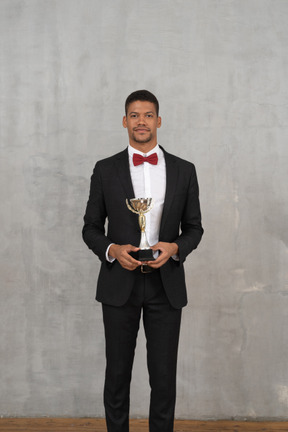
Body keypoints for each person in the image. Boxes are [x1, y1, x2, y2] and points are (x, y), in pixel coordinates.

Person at [82, 90, 203, 432]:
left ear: (158, 121)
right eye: (134, 115)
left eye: (148, 115)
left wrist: (176, 248)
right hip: (120, 283)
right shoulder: (105, 170)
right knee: (117, 375)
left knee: (163, 379)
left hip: (166, 285)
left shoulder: (184, 170)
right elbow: (90, 228)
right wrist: (112, 250)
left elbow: (194, 227)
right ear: (125, 121)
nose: (141, 121)